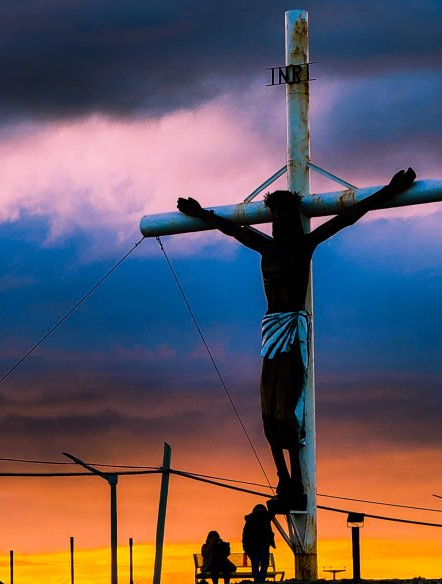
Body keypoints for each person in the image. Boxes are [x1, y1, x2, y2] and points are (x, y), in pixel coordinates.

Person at [178, 168, 417, 512]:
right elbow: (231, 229)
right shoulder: (265, 246)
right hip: (271, 330)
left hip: (292, 330)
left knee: (286, 409)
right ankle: (283, 481)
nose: (278, 222)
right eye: (274, 216)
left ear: (293, 218)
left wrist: (388, 191)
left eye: (284, 215)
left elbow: (347, 217)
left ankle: (297, 484)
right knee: (267, 414)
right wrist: (199, 213)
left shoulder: (305, 245)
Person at [242, 504, 276, 583]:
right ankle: (260, 579)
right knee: (264, 563)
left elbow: (245, 535)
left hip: (251, 546)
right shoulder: (265, 517)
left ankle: (257, 580)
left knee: (255, 562)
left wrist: (245, 547)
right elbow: (272, 514)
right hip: (263, 545)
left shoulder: (249, 520)